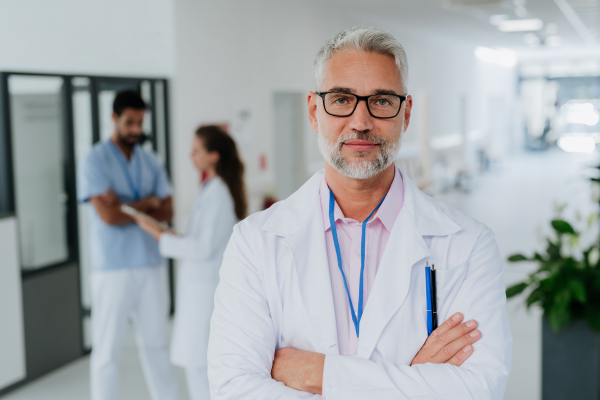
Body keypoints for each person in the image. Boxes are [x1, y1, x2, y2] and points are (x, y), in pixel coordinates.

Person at [207, 26, 512, 399]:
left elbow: (480, 389)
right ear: (313, 111)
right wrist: (413, 380)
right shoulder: (255, 243)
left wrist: (320, 374)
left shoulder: (468, 244)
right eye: (341, 99)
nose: (361, 121)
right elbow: (233, 389)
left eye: (382, 101)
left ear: (407, 113)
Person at [78, 90, 179, 400]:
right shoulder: (94, 160)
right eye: (129, 122)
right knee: (106, 352)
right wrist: (147, 203)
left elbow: (168, 210)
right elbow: (107, 216)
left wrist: (127, 206)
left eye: (140, 122)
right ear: (114, 118)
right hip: (112, 269)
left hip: (151, 265)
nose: (136, 129)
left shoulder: (151, 160)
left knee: (157, 346)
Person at [135, 125, 247, 400]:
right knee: (198, 369)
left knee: (202, 371)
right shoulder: (210, 188)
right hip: (199, 290)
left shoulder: (219, 193)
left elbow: (203, 247)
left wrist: (159, 233)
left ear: (214, 156)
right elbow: (201, 239)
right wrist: (172, 235)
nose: (190, 155)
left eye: (196, 150)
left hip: (205, 294)